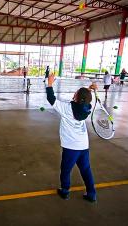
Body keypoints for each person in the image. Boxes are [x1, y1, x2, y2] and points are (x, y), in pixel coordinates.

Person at [46, 73, 97, 202]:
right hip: (83, 146)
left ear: (77, 97)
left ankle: (65, 191)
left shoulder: (67, 108)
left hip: (71, 146)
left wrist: (50, 83)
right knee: (86, 169)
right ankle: (91, 194)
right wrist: (90, 90)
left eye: (76, 92)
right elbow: (87, 99)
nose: (74, 93)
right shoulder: (87, 107)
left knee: (66, 170)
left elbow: (51, 99)